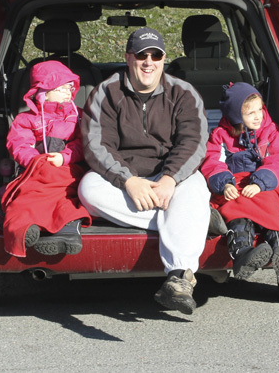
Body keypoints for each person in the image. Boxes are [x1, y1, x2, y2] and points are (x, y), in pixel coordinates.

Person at [78, 27, 210, 315]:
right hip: (127, 180)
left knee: (196, 183)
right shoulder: (107, 92)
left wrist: (169, 179)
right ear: (128, 58)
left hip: (169, 179)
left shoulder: (183, 93)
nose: (148, 62)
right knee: (88, 188)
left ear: (164, 59)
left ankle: (179, 279)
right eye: (141, 55)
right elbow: (96, 145)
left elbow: (194, 142)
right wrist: (129, 181)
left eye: (156, 55)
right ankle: (194, 221)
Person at [201, 82, 279, 285]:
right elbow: (213, 162)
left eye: (260, 110)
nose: (258, 116)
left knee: (271, 207)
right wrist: (225, 184)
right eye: (250, 113)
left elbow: (277, 160)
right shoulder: (220, 135)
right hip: (235, 183)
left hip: (262, 184)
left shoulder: (270, 131)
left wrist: (260, 183)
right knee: (235, 208)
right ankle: (244, 254)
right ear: (237, 117)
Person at [2, 61, 91, 258]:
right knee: (25, 193)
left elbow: (84, 143)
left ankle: (64, 228)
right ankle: (25, 227)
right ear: (42, 93)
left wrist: (65, 157)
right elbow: (19, 144)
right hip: (35, 169)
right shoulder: (26, 120)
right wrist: (36, 161)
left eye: (69, 87)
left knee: (66, 193)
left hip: (68, 168)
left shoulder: (78, 117)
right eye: (60, 89)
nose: (68, 93)